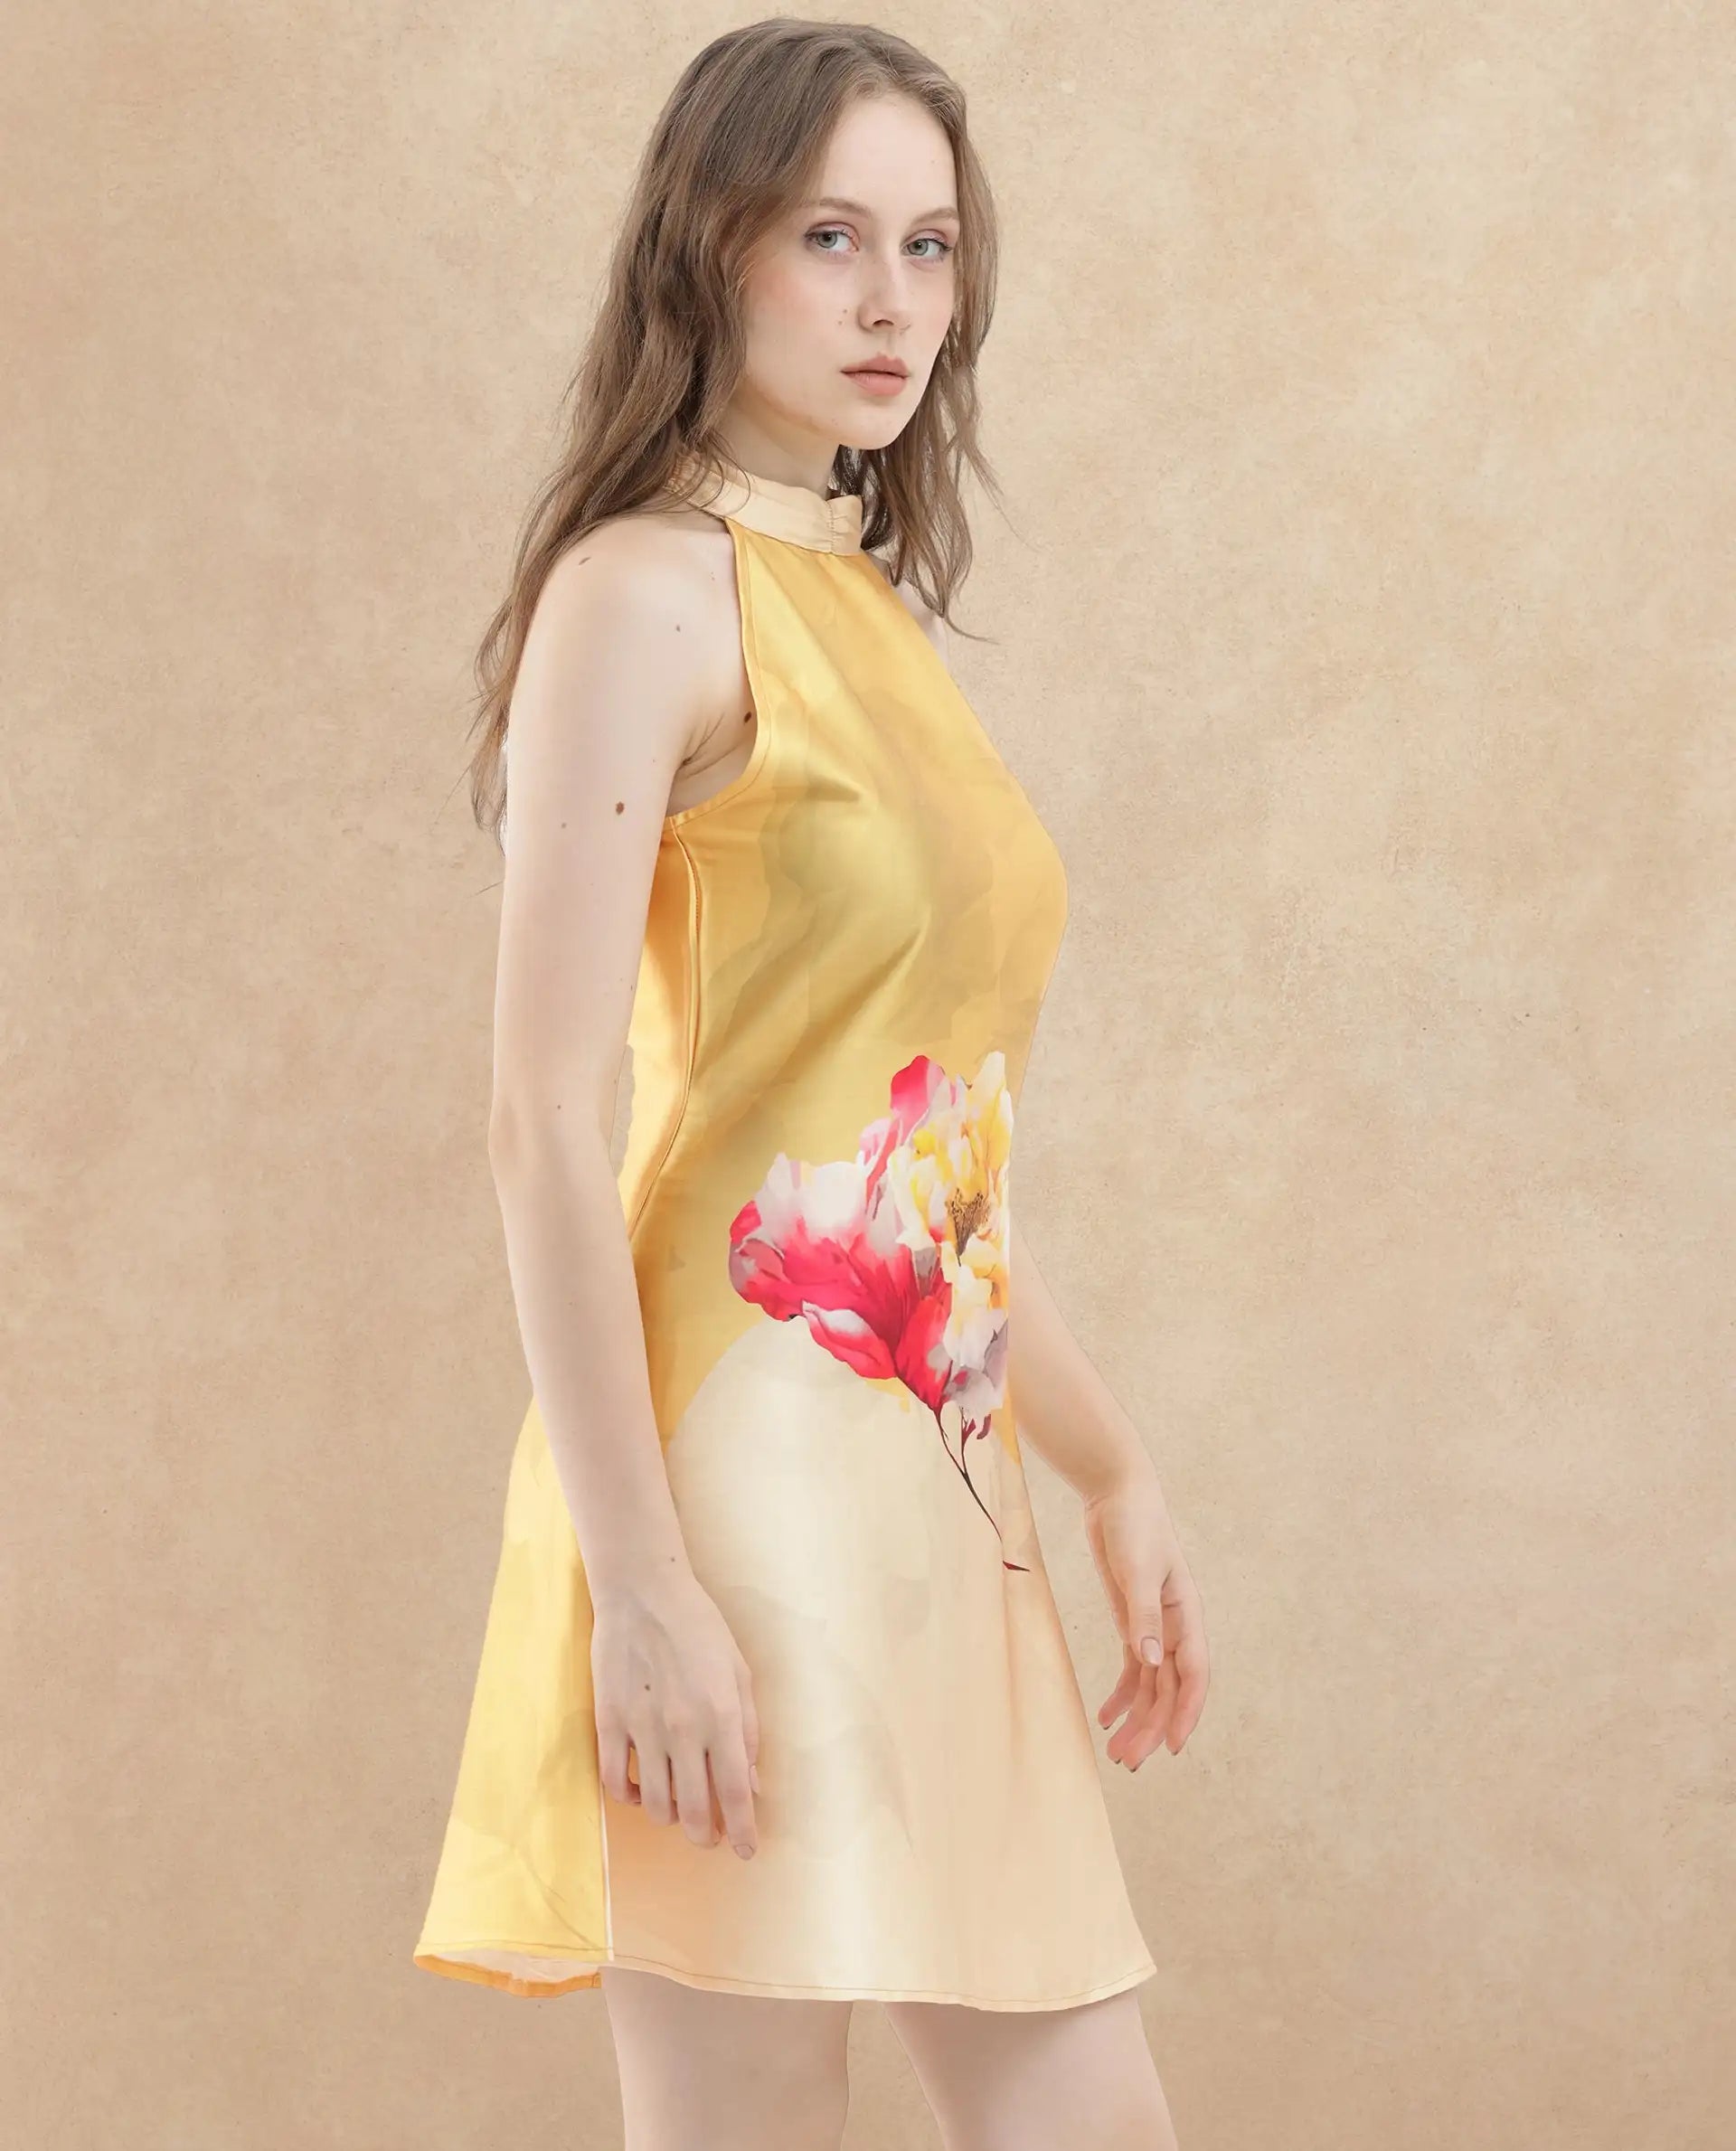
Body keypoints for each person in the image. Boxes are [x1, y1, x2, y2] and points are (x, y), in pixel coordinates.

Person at [413, 20, 1210, 2149]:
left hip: (942, 1495)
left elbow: (922, 1171)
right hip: (729, 1481)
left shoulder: (868, 610)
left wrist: (1112, 1463)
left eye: (930, 247)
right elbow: (541, 1120)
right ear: (711, 247)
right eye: (831, 236)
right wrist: (642, 1583)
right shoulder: (638, 594)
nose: (892, 302)